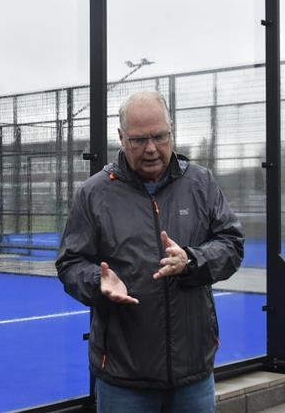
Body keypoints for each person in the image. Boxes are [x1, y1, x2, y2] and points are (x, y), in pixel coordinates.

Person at [56, 90, 244, 413]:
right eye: (139, 140)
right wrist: (97, 283)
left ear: (172, 131)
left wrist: (192, 261)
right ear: (121, 138)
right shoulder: (94, 194)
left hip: (193, 375)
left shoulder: (201, 184)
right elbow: (70, 263)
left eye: (160, 136)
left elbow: (232, 243)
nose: (152, 148)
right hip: (123, 379)